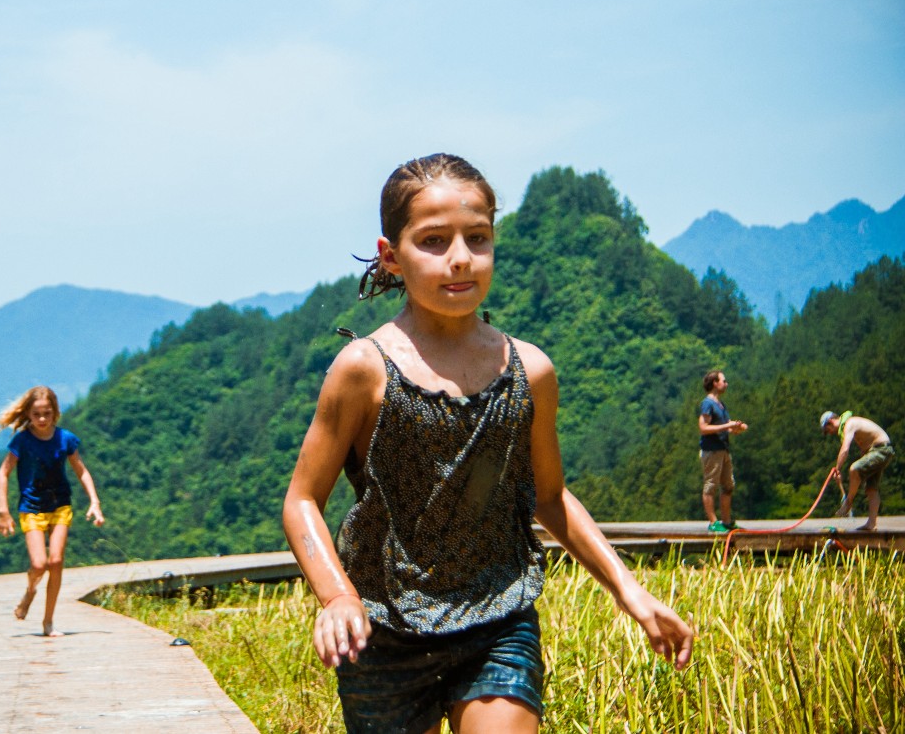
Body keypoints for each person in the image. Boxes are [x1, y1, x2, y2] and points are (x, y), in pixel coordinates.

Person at [281, 154, 693, 734]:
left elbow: (549, 498)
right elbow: (302, 500)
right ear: (391, 257)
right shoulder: (363, 370)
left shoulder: (530, 372)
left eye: (477, 239)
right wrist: (336, 598)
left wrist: (631, 592)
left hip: (498, 617)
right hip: (384, 629)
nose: (459, 258)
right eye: (433, 240)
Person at [0, 385, 104, 636]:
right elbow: (4, 473)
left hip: (60, 505)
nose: (42, 419)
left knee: (55, 561)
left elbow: (81, 471)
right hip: (31, 507)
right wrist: (3, 511)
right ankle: (30, 591)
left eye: (47, 413)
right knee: (39, 563)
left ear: (55, 412)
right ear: (29, 415)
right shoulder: (22, 441)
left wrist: (94, 502)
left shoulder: (65, 439)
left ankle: (48, 622)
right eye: (36, 414)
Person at [821, 410, 894, 531]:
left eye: (827, 430)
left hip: (881, 450)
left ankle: (848, 502)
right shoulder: (851, 425)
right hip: (880, 451)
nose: (829, 433)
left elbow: (845, 449)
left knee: (854, 468)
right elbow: (864, 450)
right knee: (871, 488)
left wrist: (837, 469)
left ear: (830, 422)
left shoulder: (849, 424)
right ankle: (872, 524)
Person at [697, 370, 747, 533]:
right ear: (715, 384)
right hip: (711, 450)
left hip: (723, 449)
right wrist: (728, 426)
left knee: (728, 485)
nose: (726, 384)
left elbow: (726, 426)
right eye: (723, 381)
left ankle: (726, 520)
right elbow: (704, 428)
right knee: (710, 485)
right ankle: (713, 522)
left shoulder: (721, 405)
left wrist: (737, 428)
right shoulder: (707, 404)